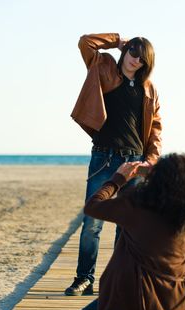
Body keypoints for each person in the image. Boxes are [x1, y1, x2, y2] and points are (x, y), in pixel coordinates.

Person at [63, 153, 185, 310]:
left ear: (156, 181)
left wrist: (117, 179)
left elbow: (92, 207)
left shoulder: (136, 208)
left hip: (128, 302)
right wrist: (156, 172)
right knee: (159, 284)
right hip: (173, 303)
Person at [65, 33, 162, 296]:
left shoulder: (149, 88)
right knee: (92, 222)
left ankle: (118, 282)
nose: (136, 60)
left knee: (126, 227)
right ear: (126, 50)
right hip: (104, 157)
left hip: (134, 163)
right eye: (133, 53)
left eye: (142, 58)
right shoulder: (104, 66)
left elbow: (155, 128)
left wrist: (150, 160)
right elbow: (85, 42)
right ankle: (84, 279)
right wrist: (116, 40)